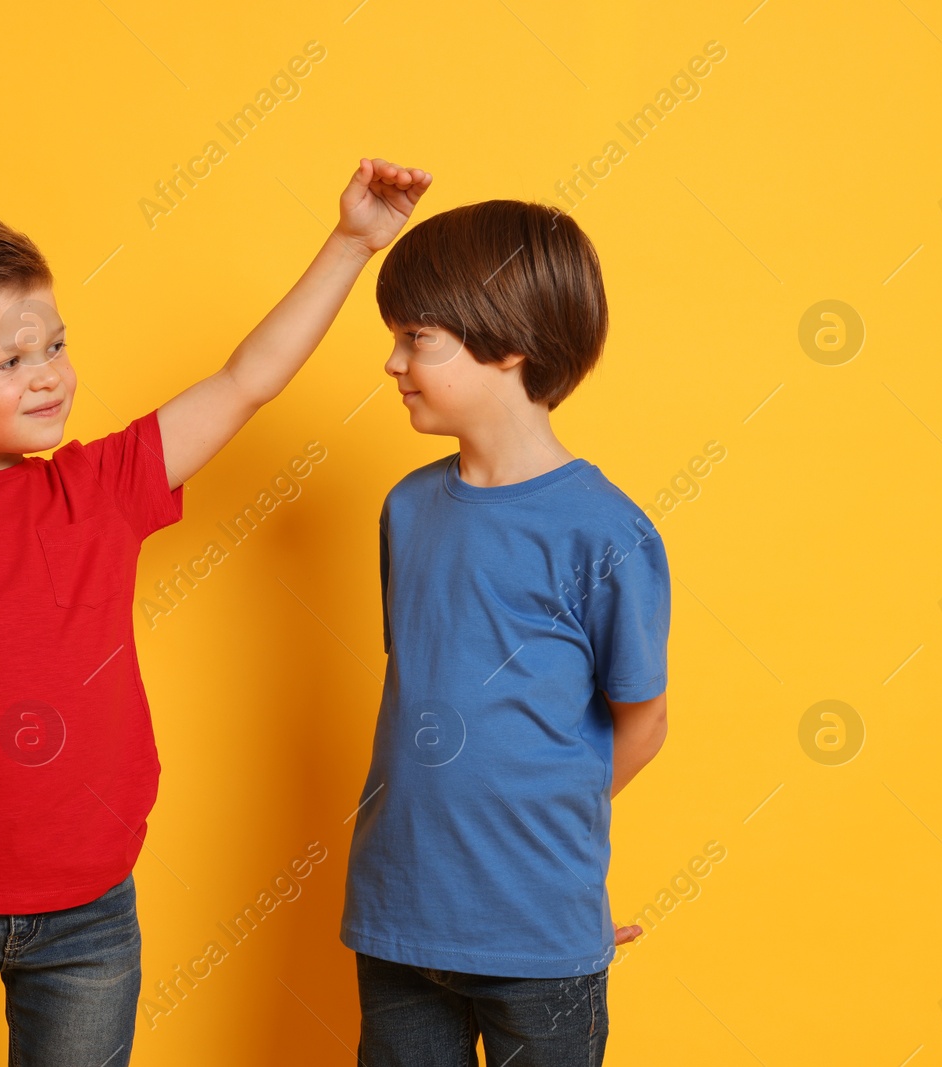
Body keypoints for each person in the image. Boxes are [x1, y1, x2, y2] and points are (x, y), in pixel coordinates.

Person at [0, 157, 431, 1065]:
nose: (47, 375)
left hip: (89, 913)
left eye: (53, 345)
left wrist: (353, 242)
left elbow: (246, 381)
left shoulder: (101, 487)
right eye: (9, 361)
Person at [340, 199, 671, 1066]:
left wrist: (542, 860)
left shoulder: (606, 533)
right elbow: (429, 695)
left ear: (509, 341)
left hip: (535, 940)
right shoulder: (407, 509)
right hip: (397, 916)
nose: (393, 361)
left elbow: (643, 721)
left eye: (419, 337)